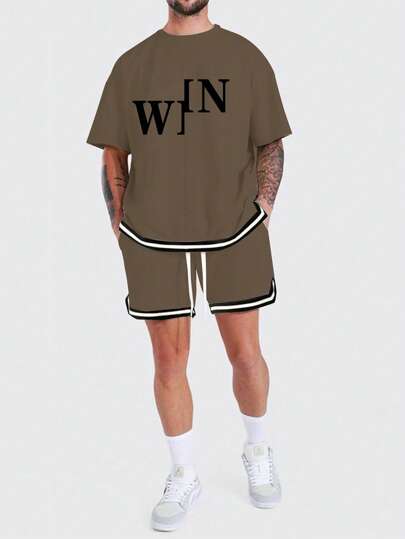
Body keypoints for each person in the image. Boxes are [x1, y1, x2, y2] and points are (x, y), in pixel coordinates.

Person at [87, 0, 291, 531]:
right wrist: (120, 225)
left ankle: (257, 449)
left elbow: (270, 144)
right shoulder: (132, 65)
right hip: (153, 235)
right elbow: (113, 153)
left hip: (235, 228)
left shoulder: (245, 57)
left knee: (245, 354)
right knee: (168, 361)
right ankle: (184, 473)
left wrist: (263, 210)